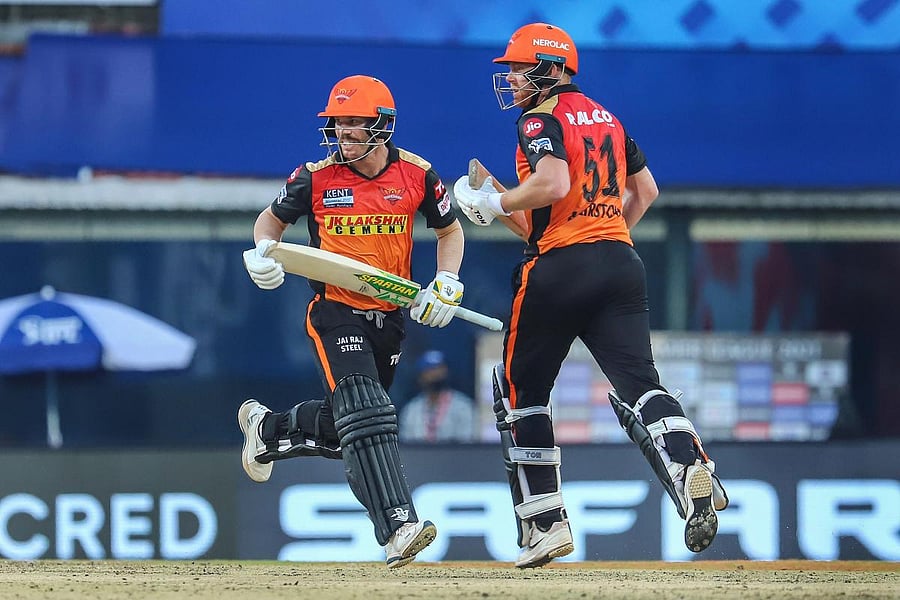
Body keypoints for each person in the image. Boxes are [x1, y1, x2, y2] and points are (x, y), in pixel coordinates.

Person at [452, 23, 729, 568]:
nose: (509, 77)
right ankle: (690, 462)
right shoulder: (610, 119)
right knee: (642, 386)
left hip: (559, 271)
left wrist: (496, 203)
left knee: (519, 396)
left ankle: (546, 524)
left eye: (516, 67)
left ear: (549, 69)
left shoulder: (539, 119)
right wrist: (508, 202)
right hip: (621, 263)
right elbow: (643, 191)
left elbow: (552, 187)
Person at [239, 75, 467, 569]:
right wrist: (261, 252)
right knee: (369, 410)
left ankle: (269, 429)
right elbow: (269, 223)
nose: (341, 135)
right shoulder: (314, 177)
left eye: (352, 126)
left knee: (353, 425)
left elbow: (450, 231)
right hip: (334, 309)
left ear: (382, 127)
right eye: (336, 125)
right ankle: (398, 526)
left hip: (389, 314)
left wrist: (447, 281)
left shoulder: (418, 175)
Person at [399, 350, 477, 443]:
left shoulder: (463, 406)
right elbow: (407, 446)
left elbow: (468, 444)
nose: (435, 374)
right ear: (420, 377)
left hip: (455, 457)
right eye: (430, 370)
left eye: (439, 369)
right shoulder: (411, 410)